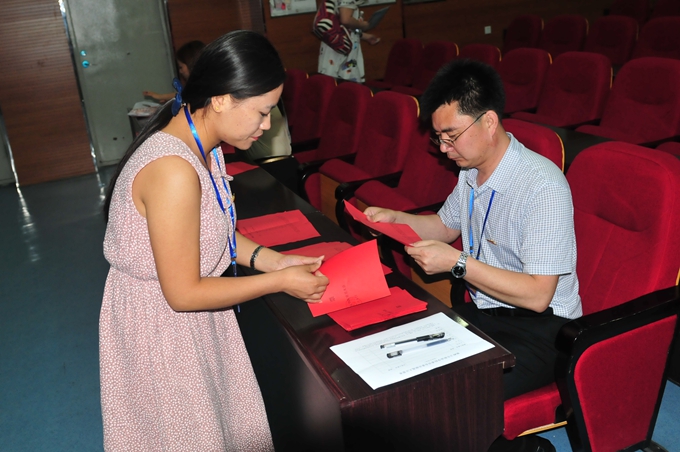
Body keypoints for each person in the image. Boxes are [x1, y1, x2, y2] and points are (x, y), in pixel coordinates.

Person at [101, 30, 329, 451]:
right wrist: (279, 281)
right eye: (262, 112)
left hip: (189, 318)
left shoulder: (204, 145)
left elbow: (212, 230)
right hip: (163, 330)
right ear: (222, 99)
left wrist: (274, 261)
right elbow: (183, 293)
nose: (267, 125)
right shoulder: (173, 170)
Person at [364, 59, 581, 452]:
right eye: (438, 138)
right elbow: (445, 227)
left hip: (544, 332)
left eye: (451, 136)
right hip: (486, 311)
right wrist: (396, 219)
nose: (444, 149)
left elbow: (538, 295)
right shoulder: (471, 170)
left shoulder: (542, 187)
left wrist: (457, 263)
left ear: (489, 122)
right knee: (402, 369)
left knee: (446, 396)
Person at [317, 0, 380, 83]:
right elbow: (346, 20)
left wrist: (363, 35)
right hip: (342, 50)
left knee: (333, 85)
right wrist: (365, 25)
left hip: (335, 44)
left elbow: (342, 26)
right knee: (347, 88)